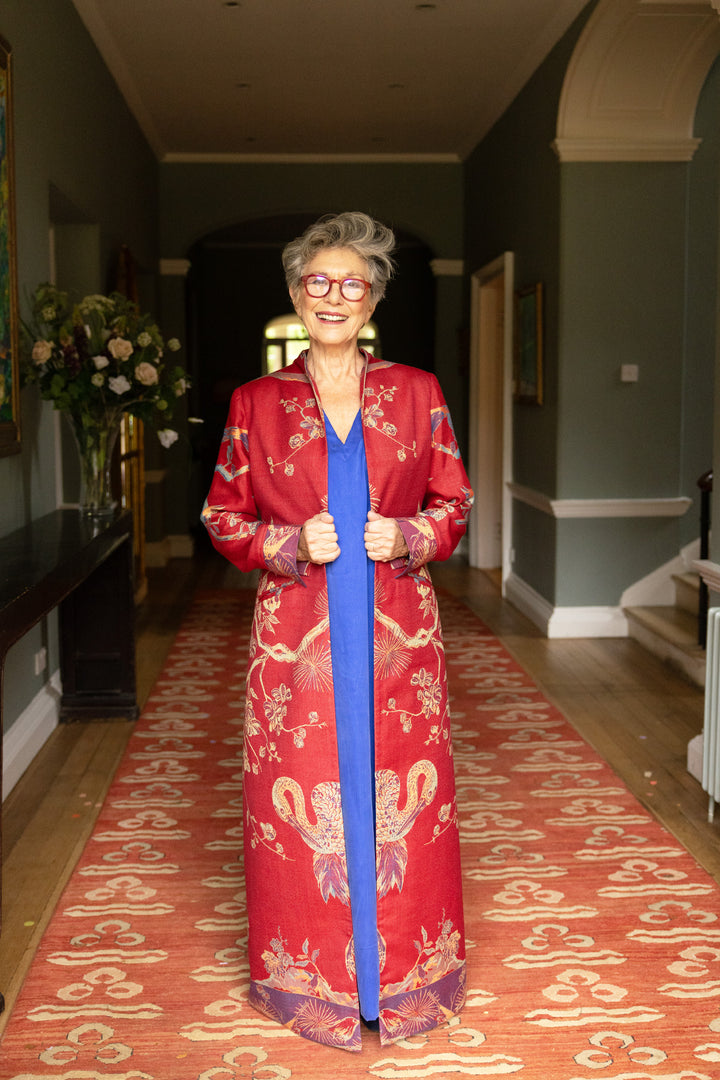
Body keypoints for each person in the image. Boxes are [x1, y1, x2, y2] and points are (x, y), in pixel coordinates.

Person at [201, 211, 473, 1051]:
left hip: (397, 630)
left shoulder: (418, 392)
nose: (333, 296)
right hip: (298, 637)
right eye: (317, 281)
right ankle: (315, 984)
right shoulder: (257, 403)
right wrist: (284, 543)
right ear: (294, 292)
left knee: (394, 791)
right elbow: (220, 514)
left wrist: (412, 536)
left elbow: (454, 504)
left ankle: (408, 983)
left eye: (353, 283)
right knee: (311, 795)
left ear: (374, 298)